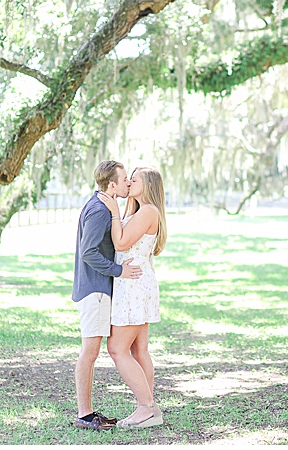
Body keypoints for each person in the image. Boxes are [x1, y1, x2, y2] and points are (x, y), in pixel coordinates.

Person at [72, 160, 142, 431]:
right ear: (112, 185)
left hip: (94, 289)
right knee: (89, 353)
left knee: (90, 352)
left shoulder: (98, 205)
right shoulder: (100, 210)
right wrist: (118, 270)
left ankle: (87, 412)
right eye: (124, 180)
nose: (127, 184)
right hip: (95, 291)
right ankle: (85, 415)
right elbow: (88, 252)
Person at [97, 166, 167, 428]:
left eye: (133, 180)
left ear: (146, 185)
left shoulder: (149, 210)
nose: (127, 183)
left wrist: (114, 211)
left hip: (135, 284)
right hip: (135, 281)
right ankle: (150, 409)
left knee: (117, 348)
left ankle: (145, 408)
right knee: (139, 350)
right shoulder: (139, 210)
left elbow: (121, 243)